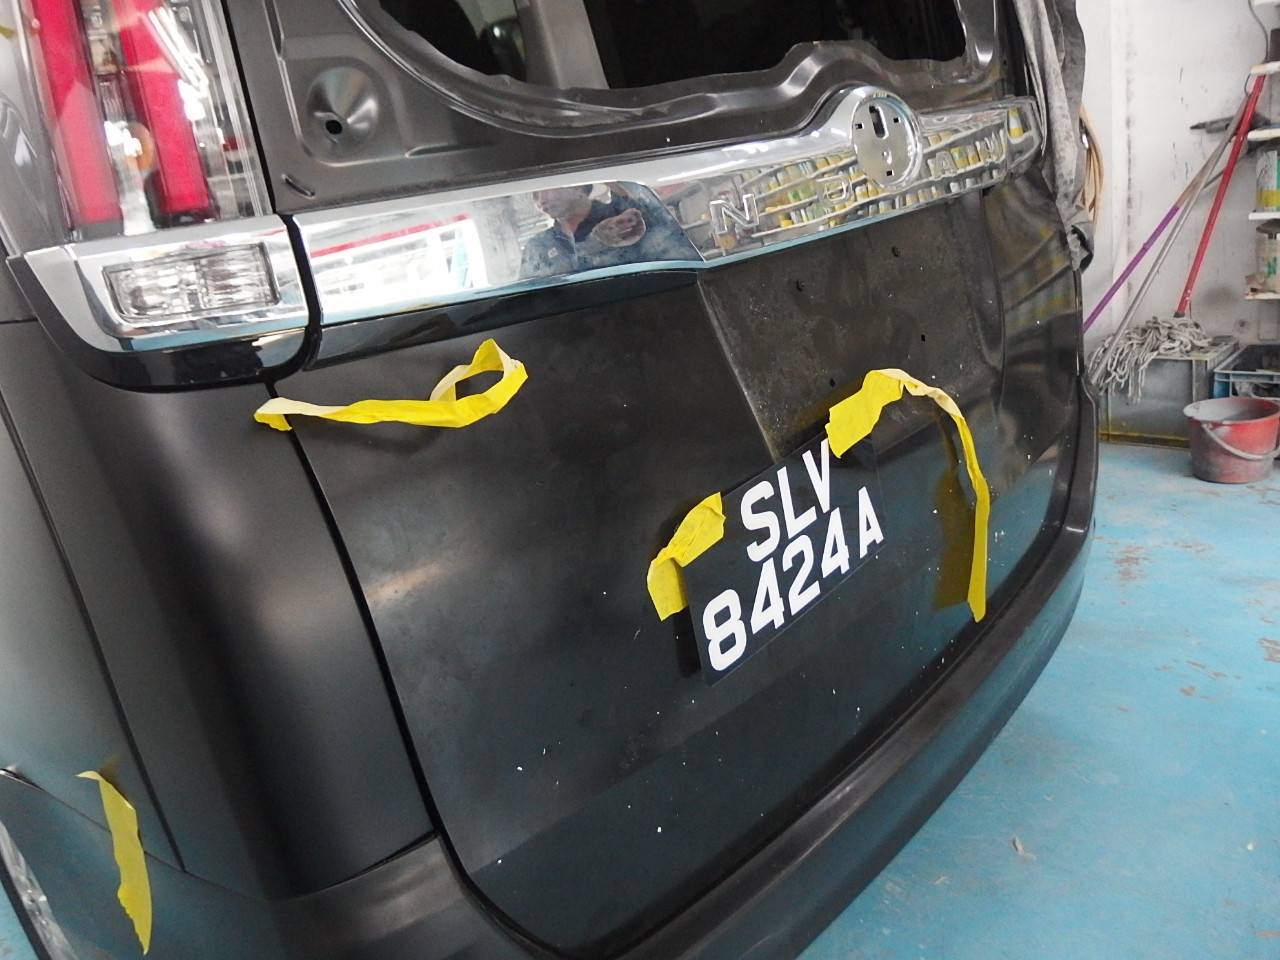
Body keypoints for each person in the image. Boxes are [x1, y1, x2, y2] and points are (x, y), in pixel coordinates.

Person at [519, 183, 698, 279]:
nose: (541, 201)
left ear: (578, 186)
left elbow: (680, 260)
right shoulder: (537, 247)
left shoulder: (627, 217)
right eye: (535, 196)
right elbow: (528, 301)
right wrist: (594, 244)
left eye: (546, 189)